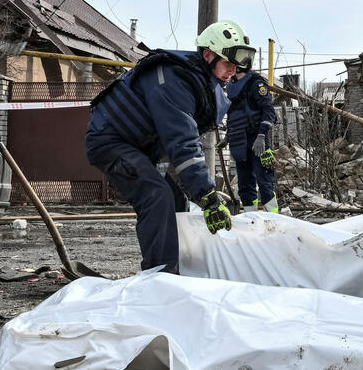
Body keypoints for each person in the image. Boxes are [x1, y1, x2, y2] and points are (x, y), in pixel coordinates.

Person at [86, 20, 256, 274]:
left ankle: (178, 267)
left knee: (175, 198)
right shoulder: (175, 78)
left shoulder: (201, 84)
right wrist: (208, 196)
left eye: (236, 66)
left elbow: (183, 147)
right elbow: (182, 141)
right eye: (227, 63)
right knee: (156, 195)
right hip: (111, 142)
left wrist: (196, 190)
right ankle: (160, 275)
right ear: (207, 55)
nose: (232, 71)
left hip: (138, 147)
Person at [225, 68, 280, 212]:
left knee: (264, 182)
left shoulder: (256, 83)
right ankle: (251, 221)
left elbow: (269, 111)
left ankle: (273, 221)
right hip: (239, 141)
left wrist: (262, 136)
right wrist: (227, 137)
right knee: (244, 184)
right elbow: (233, 115)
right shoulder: (230, 87)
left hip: (258, 139)